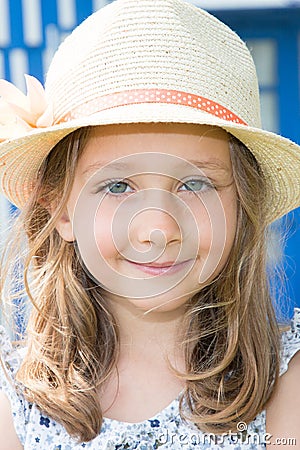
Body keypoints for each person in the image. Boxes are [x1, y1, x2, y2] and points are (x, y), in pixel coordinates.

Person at [0, 0, 300, 448]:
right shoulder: (16, 400)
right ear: (61, 210)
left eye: (194, 184)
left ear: (242, 205)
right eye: (118, 187)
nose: (156, 229)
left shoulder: (286, 387)